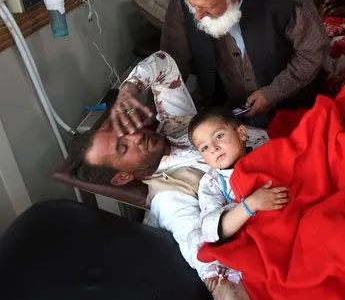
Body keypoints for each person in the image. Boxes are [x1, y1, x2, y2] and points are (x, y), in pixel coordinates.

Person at [68, 51, 268, 298]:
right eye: (123, 148)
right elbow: (200, 249)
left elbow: (164, 63)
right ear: (122, 178)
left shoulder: (173, 124)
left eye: (123, 130)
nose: (135, 135)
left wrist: (129, 88)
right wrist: (222, 286)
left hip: (283, 146)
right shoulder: (169, 197)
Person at [161, 0, 330, 122]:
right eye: (193, 5)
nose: (198, 16)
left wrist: (274, 92)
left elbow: (313, 51)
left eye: (207, 7)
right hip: (225, 109)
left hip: (290, 106)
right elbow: (173, 59)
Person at [186, 107, 290, 284]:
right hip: (261, 237)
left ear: (241, 133)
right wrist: (249, 205)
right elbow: (211, 230)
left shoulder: (264, 147)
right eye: (204, 148)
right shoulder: (212, 183)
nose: (214, 148)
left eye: (218, 136)